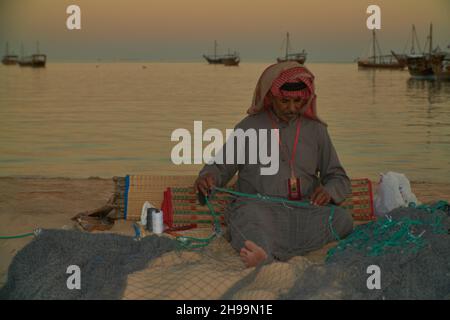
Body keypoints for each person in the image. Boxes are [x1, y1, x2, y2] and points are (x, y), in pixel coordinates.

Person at [194, 62, 353, 268]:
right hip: (260, 210)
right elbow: (220, 167)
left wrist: (329, 191)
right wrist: (208, 177)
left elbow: (338, 177)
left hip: (301, 212)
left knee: (342, 219)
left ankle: (270, 252)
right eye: (285, 101)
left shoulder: (317, 131)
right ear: (271, 96)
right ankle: (264, 257)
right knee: (248, 218)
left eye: (298, 101)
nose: (292, 108)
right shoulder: (249, 127)